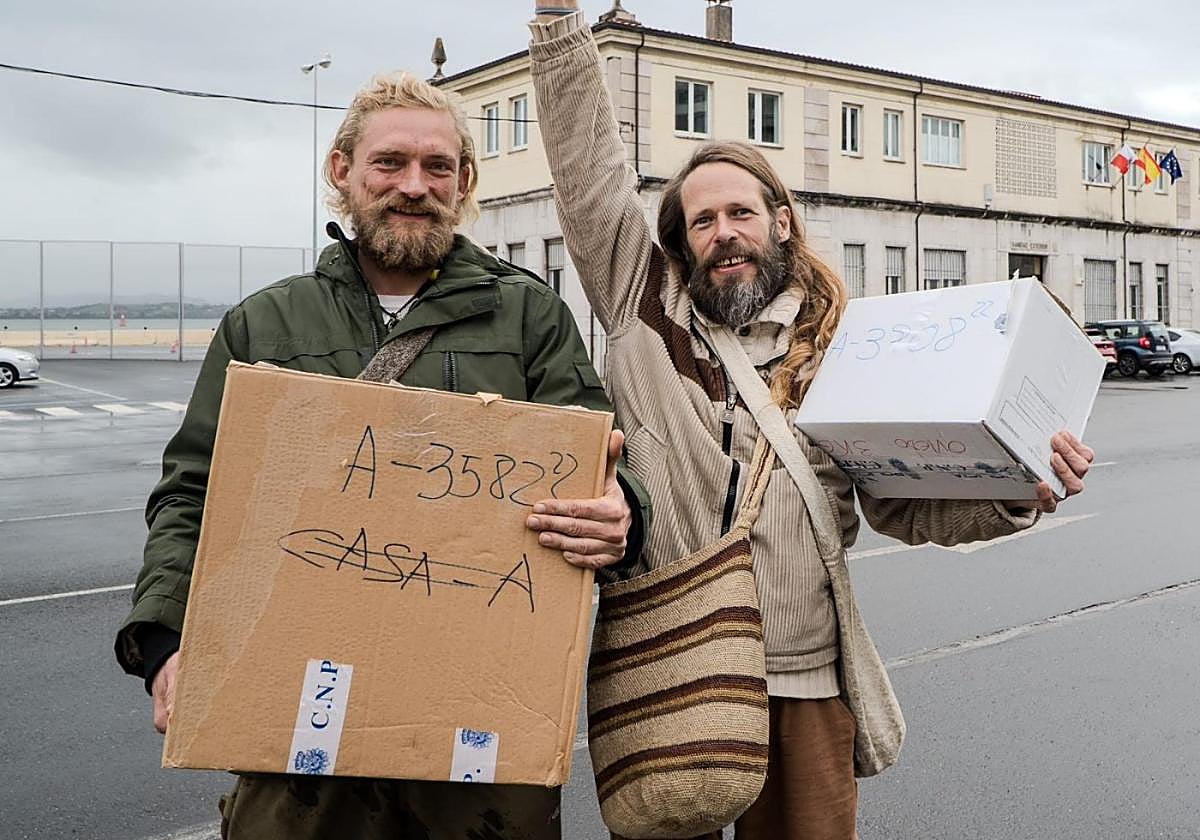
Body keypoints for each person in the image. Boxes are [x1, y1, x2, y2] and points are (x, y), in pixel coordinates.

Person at [524, 4, 1095, 838]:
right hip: (668, 664)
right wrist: (556, 21)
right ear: (680, 242)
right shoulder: (639, 307)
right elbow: (587, 168)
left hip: (806, 681)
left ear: (780, 221)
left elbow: (904, 503)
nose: (725, 235)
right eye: (702, 221)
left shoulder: (847, 348)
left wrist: (1020, 485)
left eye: (741, 214)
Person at [114, 69, 649, 840]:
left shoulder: (529, 316)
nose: (414, 186)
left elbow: (600, 459)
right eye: (389, 163)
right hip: (298, 734)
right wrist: (164, 642)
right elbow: (192, 493)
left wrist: (621, 510)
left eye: (438, 168)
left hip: (479, 737)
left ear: (465, 182)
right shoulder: (263, 326)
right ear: (343, 171)